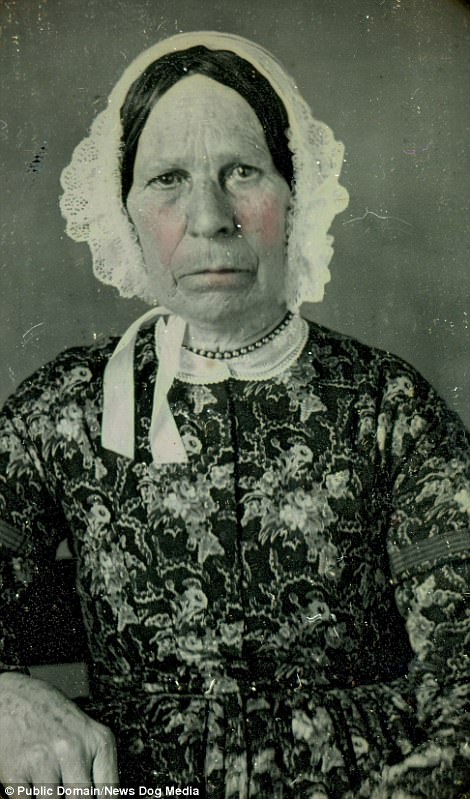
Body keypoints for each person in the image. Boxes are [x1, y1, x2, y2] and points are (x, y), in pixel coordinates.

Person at [0, 30, 469, 798]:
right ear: (124, 209)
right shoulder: (63, 411)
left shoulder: (391, 409)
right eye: (168, 179)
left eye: (242, 171)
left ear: (294, 190)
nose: (210, 216)